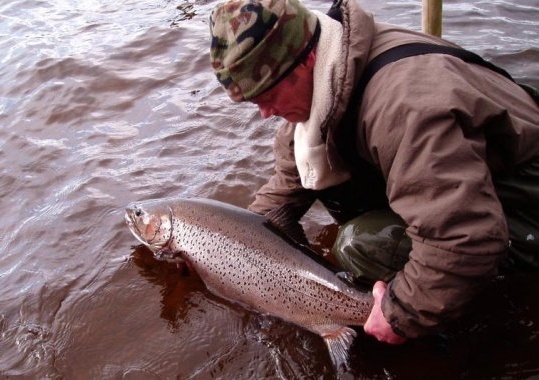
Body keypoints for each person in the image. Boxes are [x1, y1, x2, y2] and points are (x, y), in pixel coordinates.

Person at [208, 0, 539, 344]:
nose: (264, 113)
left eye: (269, 95)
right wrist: (225, 245)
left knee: (359, 245)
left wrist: (402, 312)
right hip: (477, 175)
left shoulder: (402, 107)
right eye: (252, 101)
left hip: (527, 194)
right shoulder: (331, 74)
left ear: (306, 60)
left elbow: (465, 237)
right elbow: (287, 189)